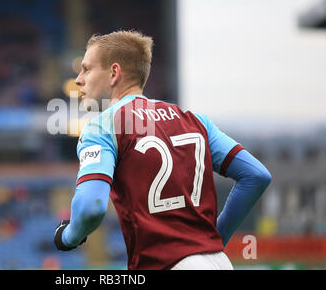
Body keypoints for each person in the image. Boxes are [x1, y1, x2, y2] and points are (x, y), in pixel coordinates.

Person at [53, 30, 272, 270]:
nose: (78, 79)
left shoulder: (103, 126)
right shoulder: (195, 120)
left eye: (86, 69)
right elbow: (256, 176)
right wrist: (215, 239)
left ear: (114, 73)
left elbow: (90, 207)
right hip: (219, 263)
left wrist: (67, 237)